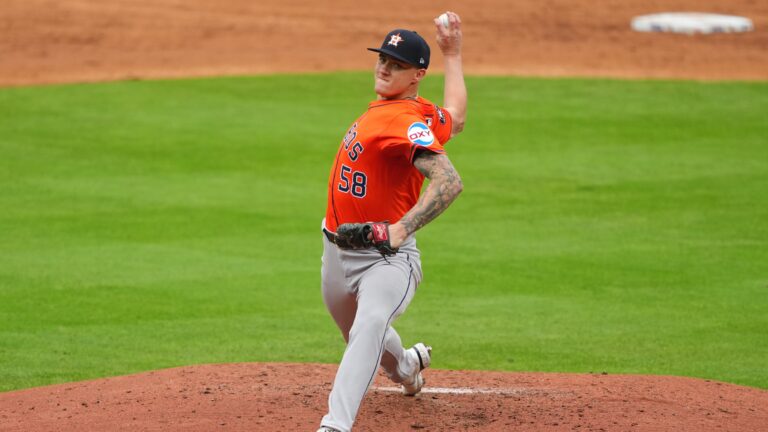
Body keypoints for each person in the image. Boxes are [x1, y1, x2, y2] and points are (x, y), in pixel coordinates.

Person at [317, 11, 466, 432]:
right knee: (364, 337)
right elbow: (456, 114)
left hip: (386, 258)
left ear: (417, 74)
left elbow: (449, 182)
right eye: (382, 58)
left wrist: (402, 229)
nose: (384, 67)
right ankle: (406, 366)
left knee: (368, 326)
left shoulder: (402, 122)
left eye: (397, 64)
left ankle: (335, 424)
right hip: (336, 250)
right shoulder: (415, 111)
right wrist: (452, 53)